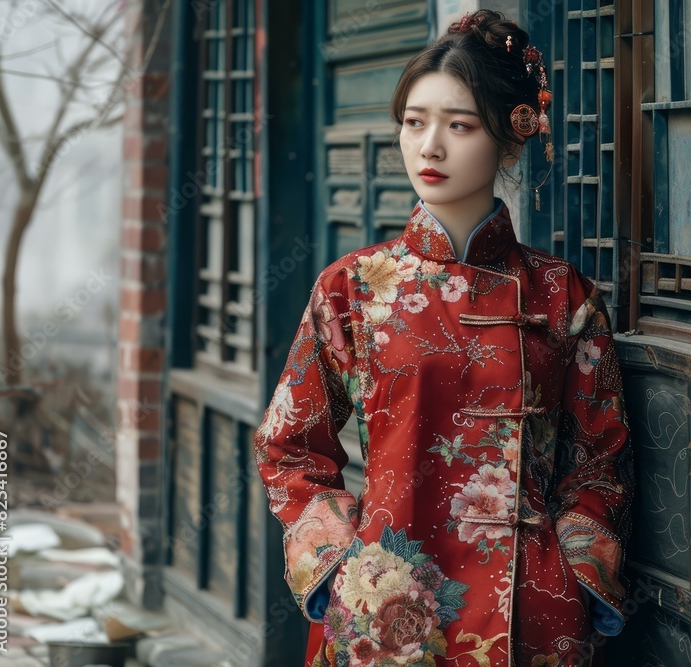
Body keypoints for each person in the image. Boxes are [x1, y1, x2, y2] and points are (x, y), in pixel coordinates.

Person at [253, 10, 633, 666]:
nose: (429, 146)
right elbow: (289, 447)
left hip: (530, 621)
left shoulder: (560, 294)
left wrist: (571, 578)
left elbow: (602, 460)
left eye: (458, 125)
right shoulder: (354, 288)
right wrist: (342, 564)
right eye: (414, 121)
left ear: (510, 138)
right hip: (387, 614)